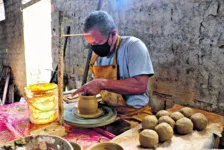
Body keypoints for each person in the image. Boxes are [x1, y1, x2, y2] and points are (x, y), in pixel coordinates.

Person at [72, 11, 154, 135]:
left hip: (135, 115)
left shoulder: (133, 47)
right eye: (91, 44)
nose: (95, 48)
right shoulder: (97, 58)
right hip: (109, 113)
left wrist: (102, 83)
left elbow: (140, 86)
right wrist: (89, 93)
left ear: (113, 34)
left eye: (98, 43)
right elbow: (101, 89)